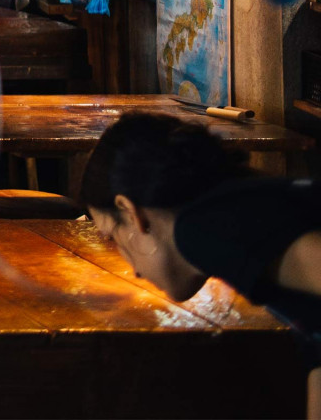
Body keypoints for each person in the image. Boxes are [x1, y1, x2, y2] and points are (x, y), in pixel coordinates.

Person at [84, 112, 321, 414]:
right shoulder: (238, 208)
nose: (135, 271)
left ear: (131, 213)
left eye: (112, 238)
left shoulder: (200, 231)